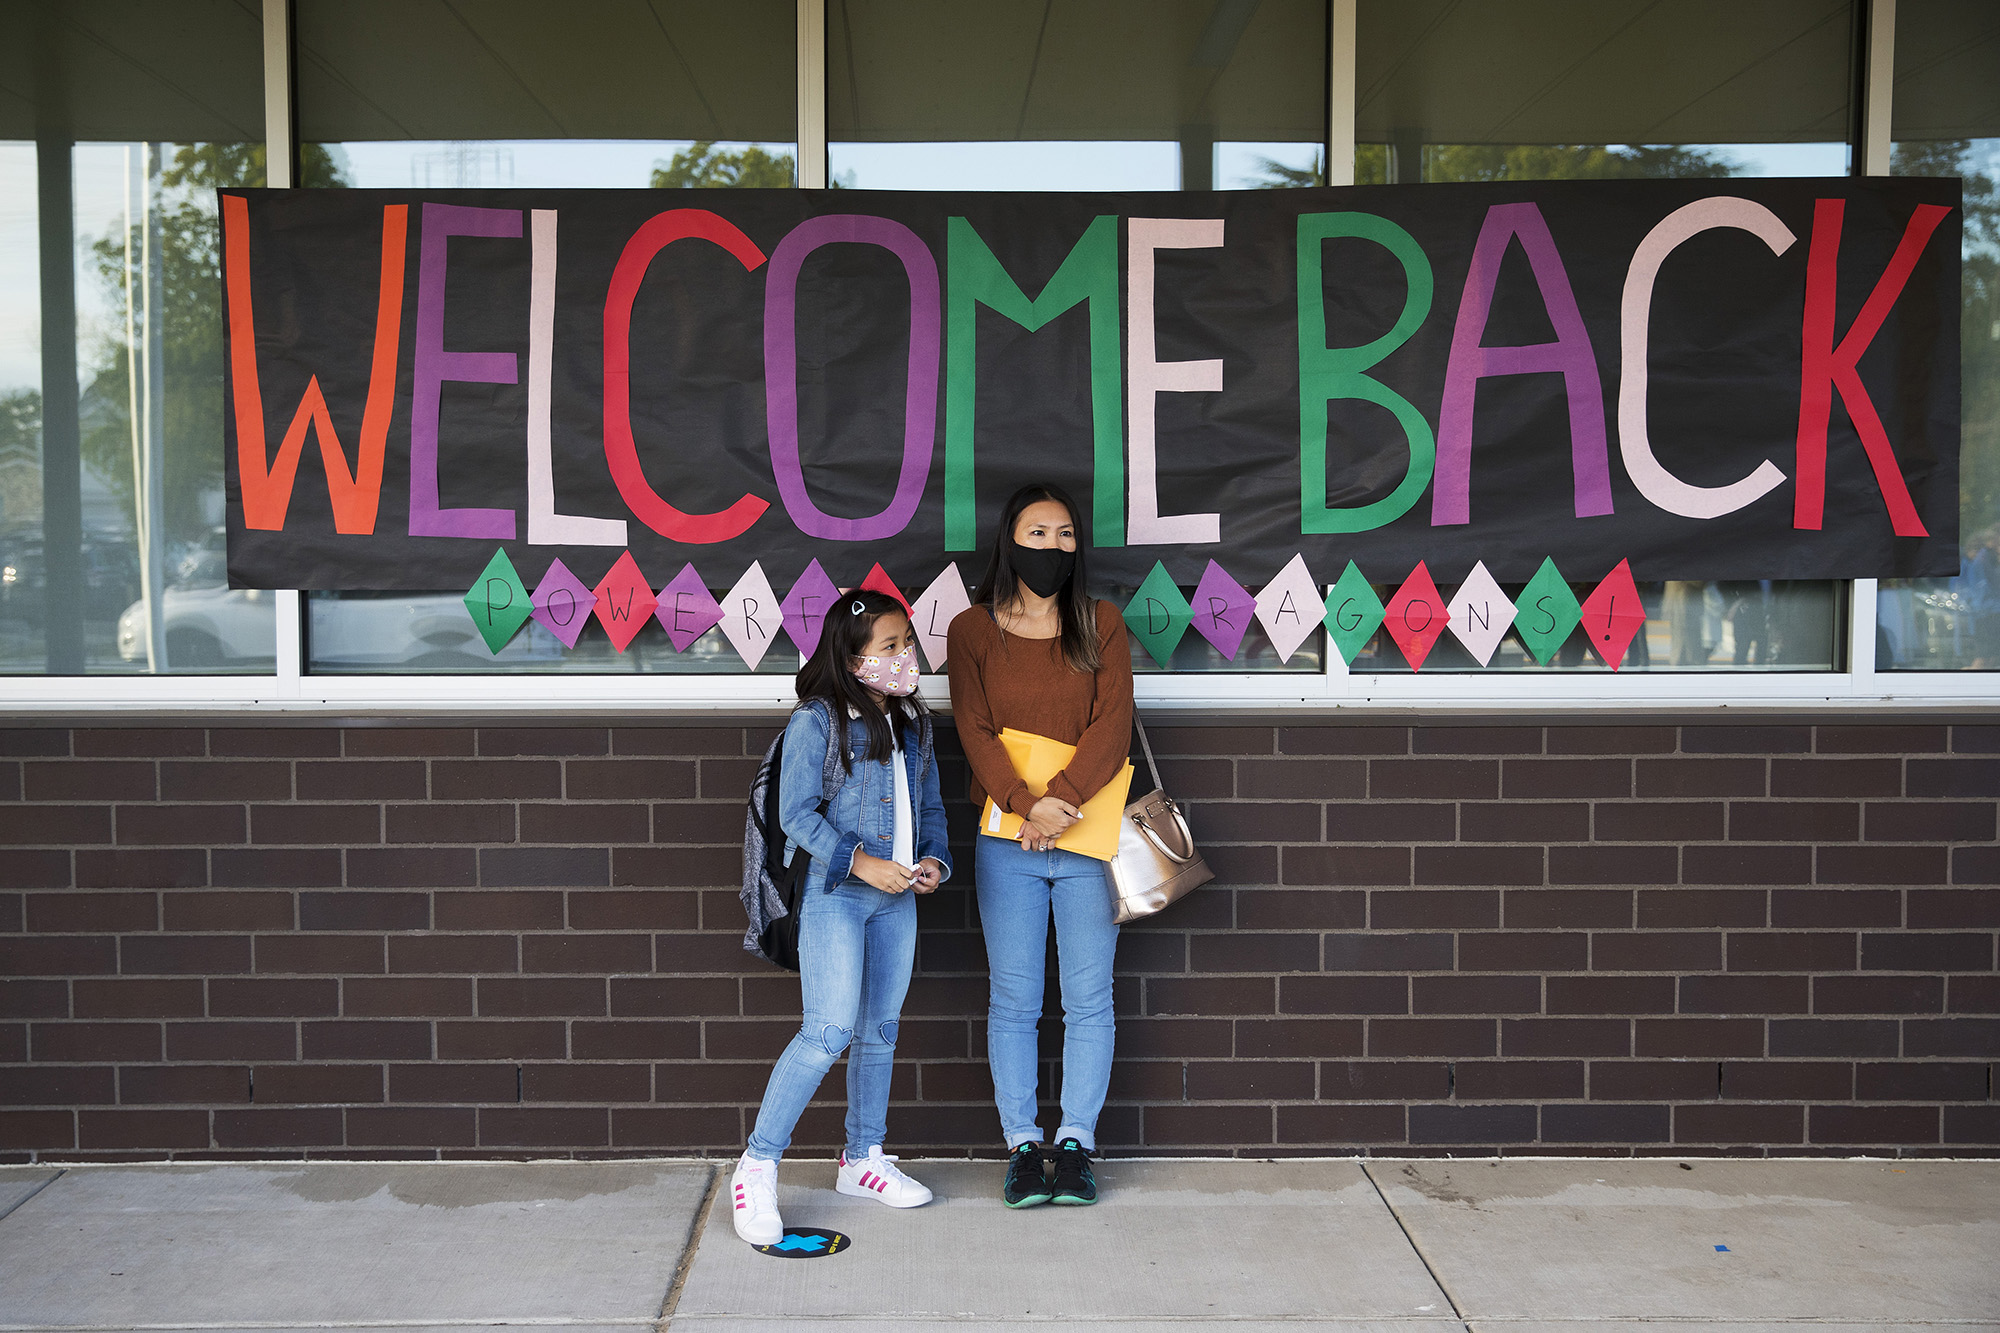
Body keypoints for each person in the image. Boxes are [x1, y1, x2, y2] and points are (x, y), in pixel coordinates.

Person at [730, 591, 951, 1246]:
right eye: (890, 647)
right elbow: (795, 814)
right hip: (839, 893)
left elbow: (931, 806)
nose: (905, 656)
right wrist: (861, 862)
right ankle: (758, 1163)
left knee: (879, 1029)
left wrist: (934, 860)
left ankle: (863, 1159)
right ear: (852, 658)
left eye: (907, 642)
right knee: (827, 1030)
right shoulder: (817, 721)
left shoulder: (915, 721)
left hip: (900, 896)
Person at [946, 482, 1134, 1209]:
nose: (1052, 545)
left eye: (1064, 533)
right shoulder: (972, 630)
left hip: (1086, 838)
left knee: (1090, 999)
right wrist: (1028, 805)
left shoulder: (1101, 622)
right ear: (1009, 538)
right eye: (1037, 531)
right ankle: (1024, 1144)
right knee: (1016, 999)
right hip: (1006, 840)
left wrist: (1059, 806)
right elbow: (973, 729)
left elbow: (1112, 725)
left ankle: (1077, 1144)